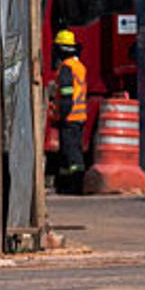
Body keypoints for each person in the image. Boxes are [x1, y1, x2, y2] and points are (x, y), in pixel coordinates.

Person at [50, 29, 87, 194]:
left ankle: (72, 185)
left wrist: (61, 115)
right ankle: (68, 184)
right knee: (74, 151)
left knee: (70, 153)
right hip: (79, 116)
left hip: (69, 117)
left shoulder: (66, 68)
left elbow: (66, 93)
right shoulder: (78, 66)